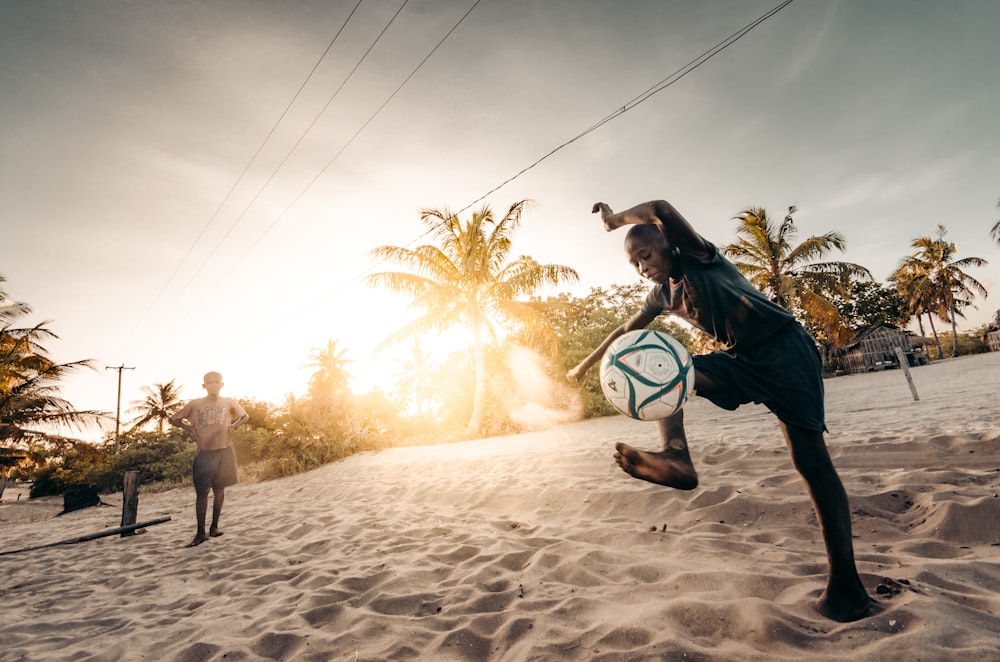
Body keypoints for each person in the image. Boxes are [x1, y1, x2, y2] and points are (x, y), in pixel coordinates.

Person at [567, 199, 872, 622]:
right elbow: (625, 331)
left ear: (668, 245)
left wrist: (614, 222)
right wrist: (584, 365)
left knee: (811, 462)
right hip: (742, 359)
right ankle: (676, 456)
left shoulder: (698, 257)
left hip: (784, 349)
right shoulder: (661, 294)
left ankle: (847, 588)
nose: (641, 266)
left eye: (646, 254)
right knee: (670, 369)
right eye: (633, 262)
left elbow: (659, 208)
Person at [169, 371, 248, 548]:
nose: (213, 385)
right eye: (209, 383)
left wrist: (233, 426)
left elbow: (245, 416)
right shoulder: (195, 404)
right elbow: (173, 418)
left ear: (222, 384)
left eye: (217, 382)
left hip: (225, 451)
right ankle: (200, 533)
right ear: (204, 386)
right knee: (202, 492)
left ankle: (214, 527)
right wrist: (189, 428)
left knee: (219, 489)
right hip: (205, 453)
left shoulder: (228, 402)